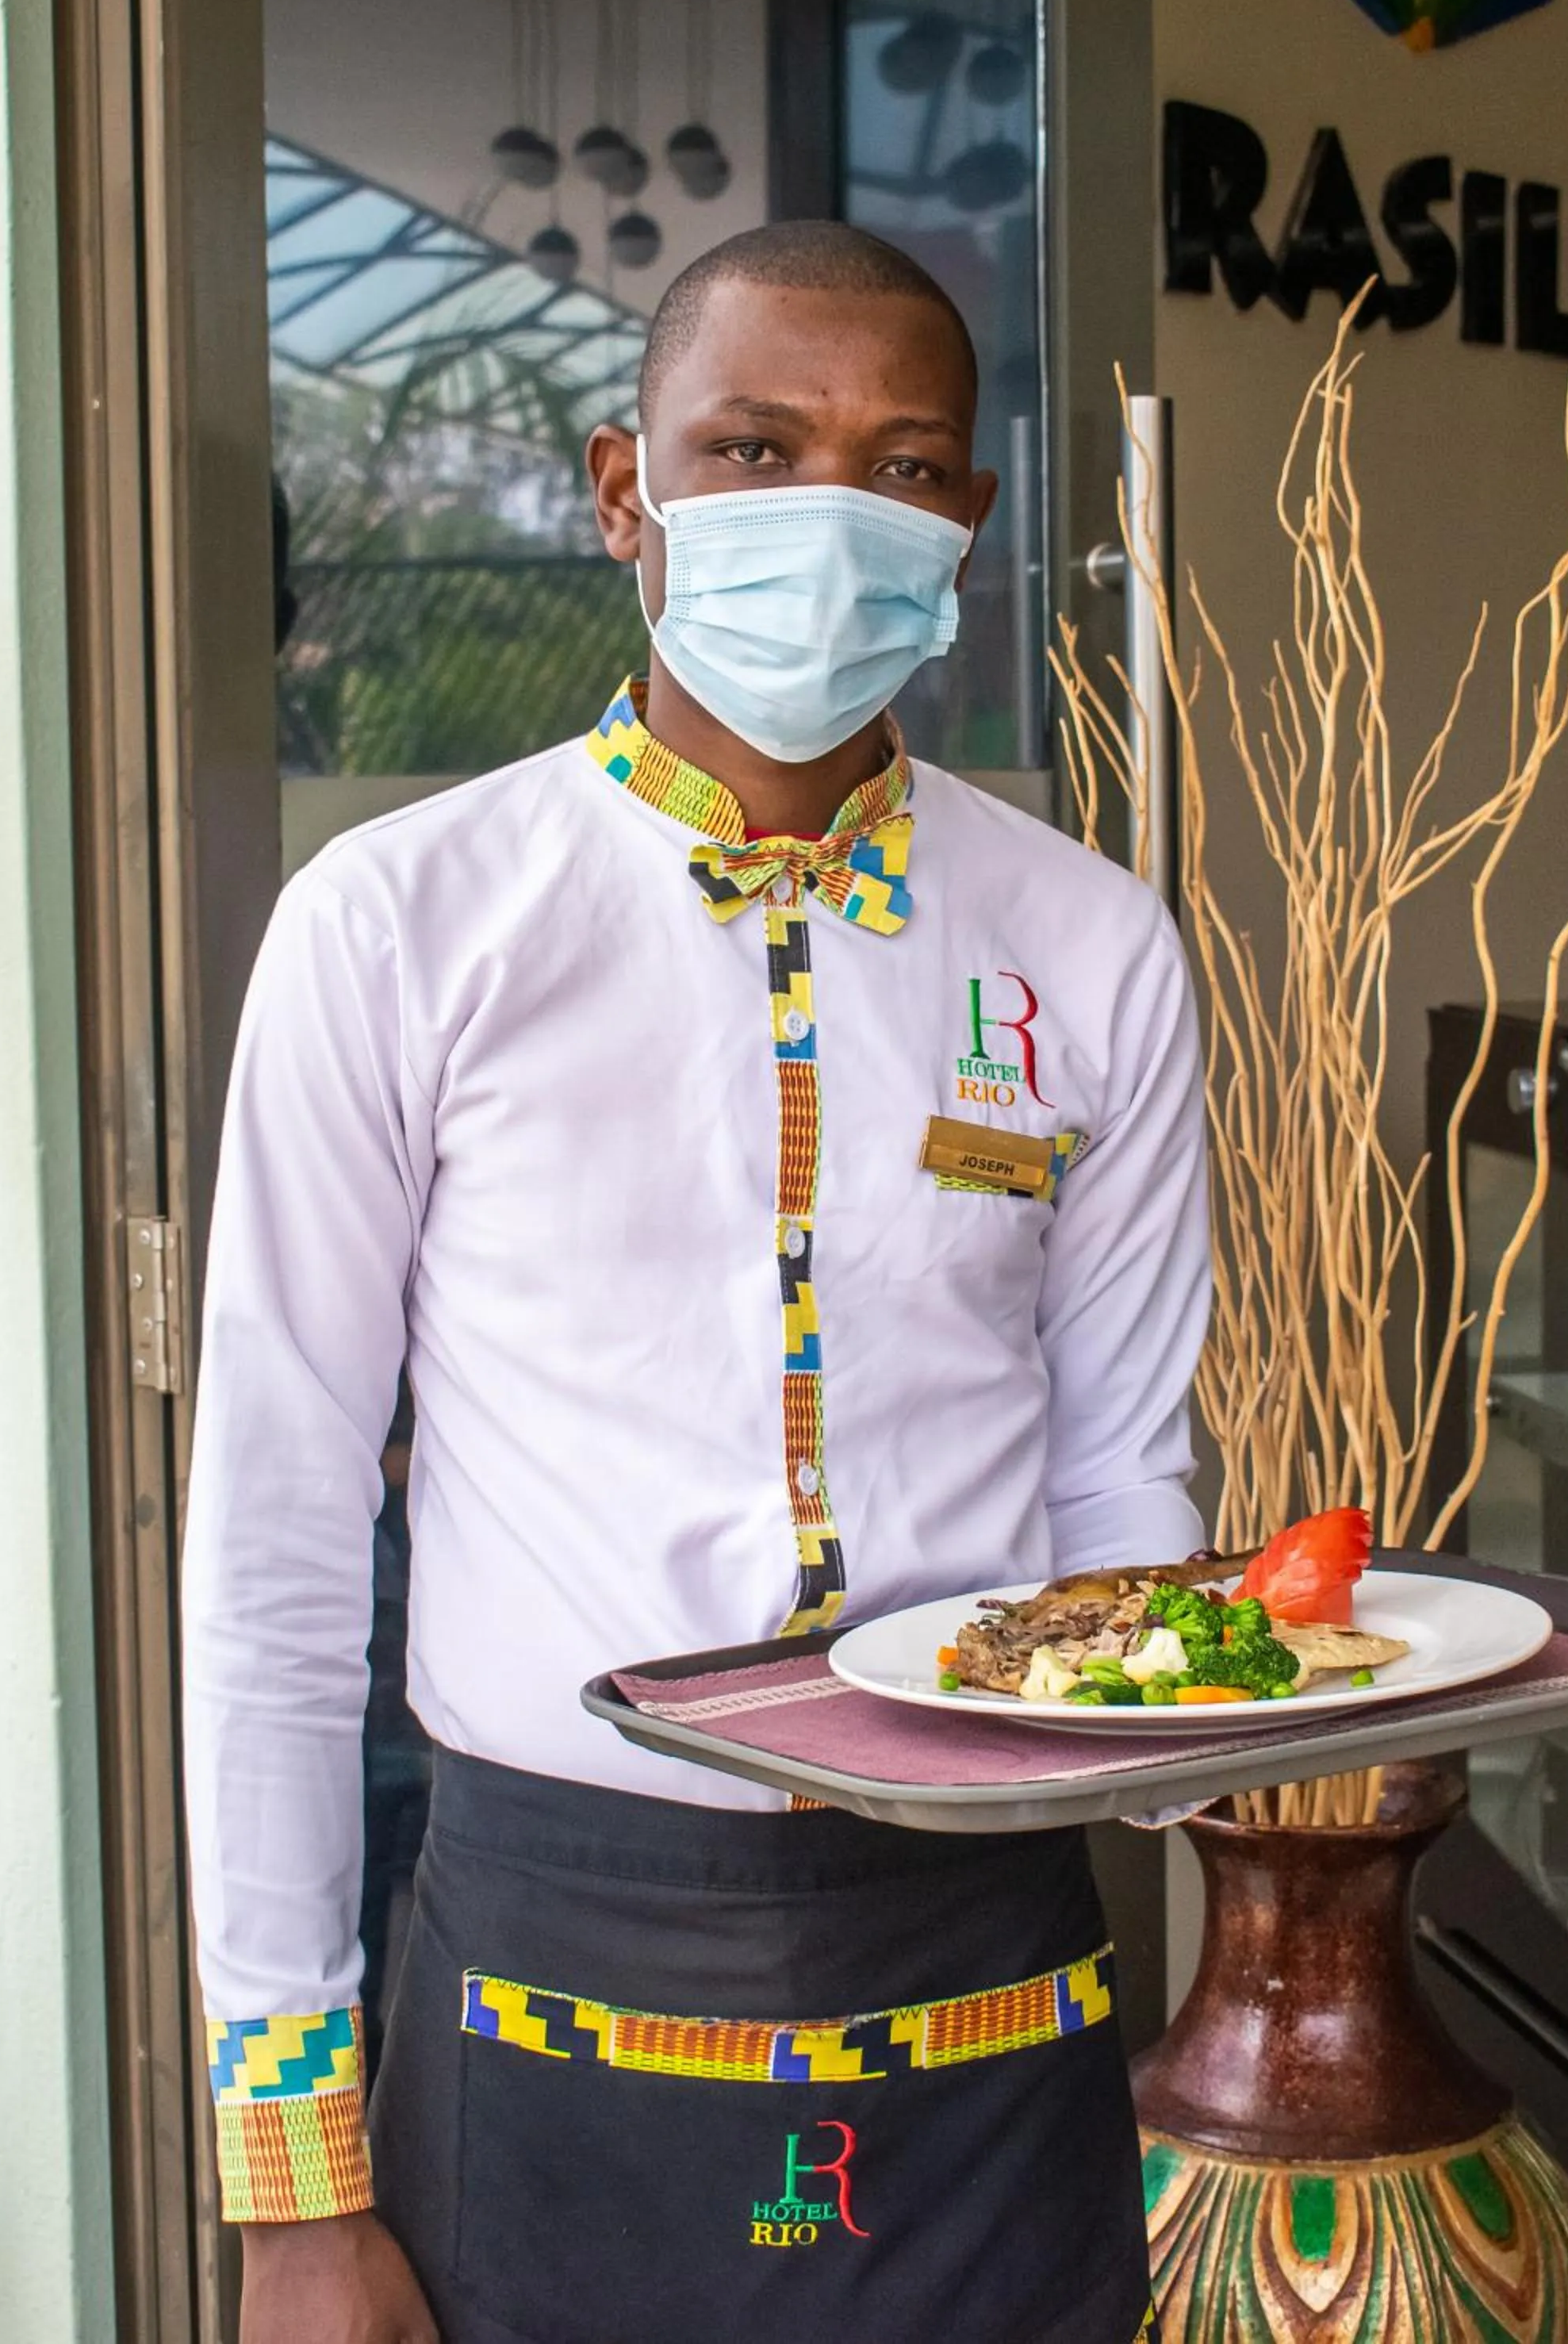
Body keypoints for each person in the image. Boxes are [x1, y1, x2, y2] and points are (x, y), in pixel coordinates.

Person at [183, 221, 1206, 2344]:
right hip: (557, 1972)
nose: (831, 516)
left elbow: (1125, 1480)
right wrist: (294, 2192)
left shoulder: (1092, 949)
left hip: (993, 1961)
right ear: (623, 489)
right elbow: (277, 1557)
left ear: (969, 527)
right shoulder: (401, 926)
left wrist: (1224, 1724)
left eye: (905, 467)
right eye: (752, 446)